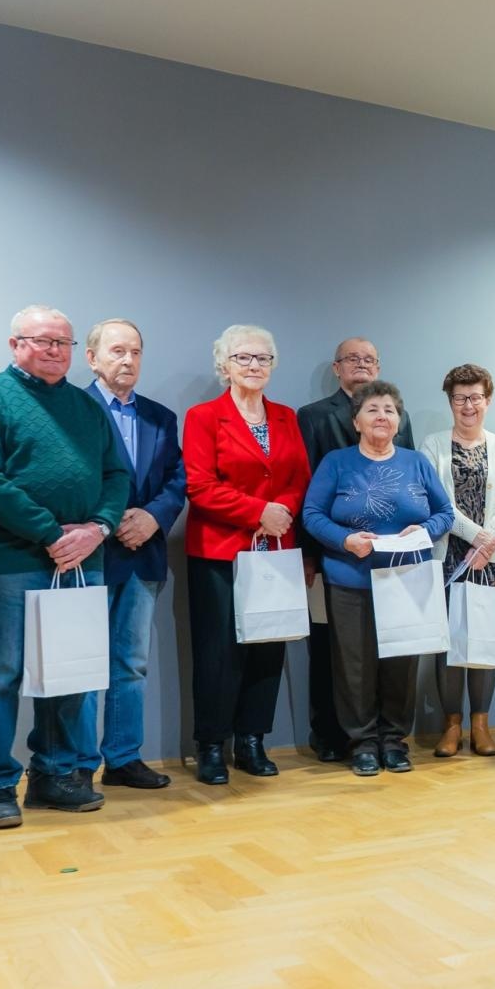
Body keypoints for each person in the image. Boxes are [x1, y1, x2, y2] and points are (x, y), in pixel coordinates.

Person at [0, 305, 130, 829]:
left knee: (70, 672)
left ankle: (54, 776)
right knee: (3, 674)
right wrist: (51, 533)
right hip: (12, 558)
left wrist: (97, 528)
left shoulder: (86, 406)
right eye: (43, 341)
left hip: (83, 556)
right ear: (15, 345)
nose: (55, 351)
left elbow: (116, 474)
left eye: (64, 343)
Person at [302, 381, 452, 776]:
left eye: (389, 409)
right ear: (356, 421)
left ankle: (394, 740)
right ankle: (363, 742)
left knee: (401, 661)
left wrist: (422, 533)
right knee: (354, 665)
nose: (381, 416)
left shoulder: (416, 461)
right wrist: (346, 540)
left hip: (408, 576)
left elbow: (444, 513)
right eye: (372, 409)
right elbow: (312, 515)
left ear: (398, 420)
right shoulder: (336, 462)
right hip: (350, 578)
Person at [183, 325, 311, 786]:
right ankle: (211, 745)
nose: (254, 366)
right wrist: (259, 512)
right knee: (219, 652)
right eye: (243, 358)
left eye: (262, 359)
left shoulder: (285, 416)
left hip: (275, 549)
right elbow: (198, 486)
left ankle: (252, 739)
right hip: (220, 552)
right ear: (225, 366)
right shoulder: (203, 416)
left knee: (267, 646)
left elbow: (299, 477)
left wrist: (282, 514)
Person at [75, 318, 185, 789]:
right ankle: (77, 763)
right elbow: (66, 476)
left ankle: (122, 758)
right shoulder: (72, 409)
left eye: (135, 352)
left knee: (130, 662)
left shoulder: (161, 416)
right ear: (92, 358)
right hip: (89, 555)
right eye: (117, 351)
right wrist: (111, 519)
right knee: (80, 662)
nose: (127, 360)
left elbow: (177, 479)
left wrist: (152, 518)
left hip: (143, 554)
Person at [296, 337, 415, 762]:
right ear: (336, 367)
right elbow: (304, 493)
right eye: (352, 359)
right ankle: (334, 736)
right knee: (339, 652)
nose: (361, 365)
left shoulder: (399, 417)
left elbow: (414, 487)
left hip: (395, 566)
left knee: (391, 653)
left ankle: (387, 739)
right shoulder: (311, 417)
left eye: (369, 359)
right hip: (336, 558)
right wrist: (310, 553)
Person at [419, 364, 495, 758]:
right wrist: (476, 537)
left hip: (492, 561)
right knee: (448, 645)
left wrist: (489, 543)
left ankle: (481, 724)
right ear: (450, 402)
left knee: (484, 641)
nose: (468, 405)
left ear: (487, 400)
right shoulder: (432, 445)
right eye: (460, 398)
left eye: (476, 397)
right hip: (448, 558)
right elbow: (435, 501)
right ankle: (452, 726)